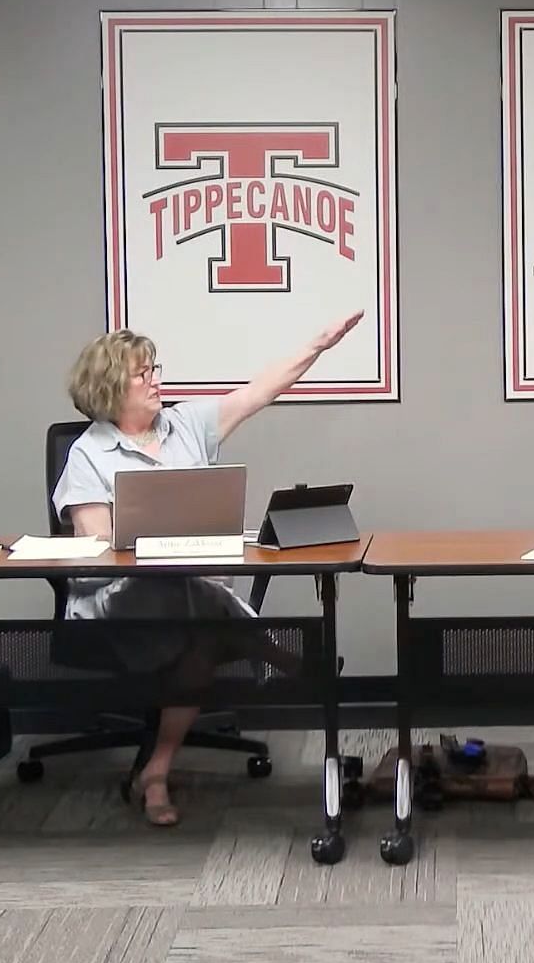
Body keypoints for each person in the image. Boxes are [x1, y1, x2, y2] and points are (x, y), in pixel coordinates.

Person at [54, 309, 362, 826]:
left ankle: (155, 773)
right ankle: (275, 651)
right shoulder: (88, 455)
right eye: (144, 374)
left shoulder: (187, 424)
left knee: (200, 631)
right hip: (122, 604)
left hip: (191, 598)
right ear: (110, 387)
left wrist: (319, 346)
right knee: (196, 607)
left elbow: (260, 391)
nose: (158, 381)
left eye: (156, 370)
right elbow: (98, 551)